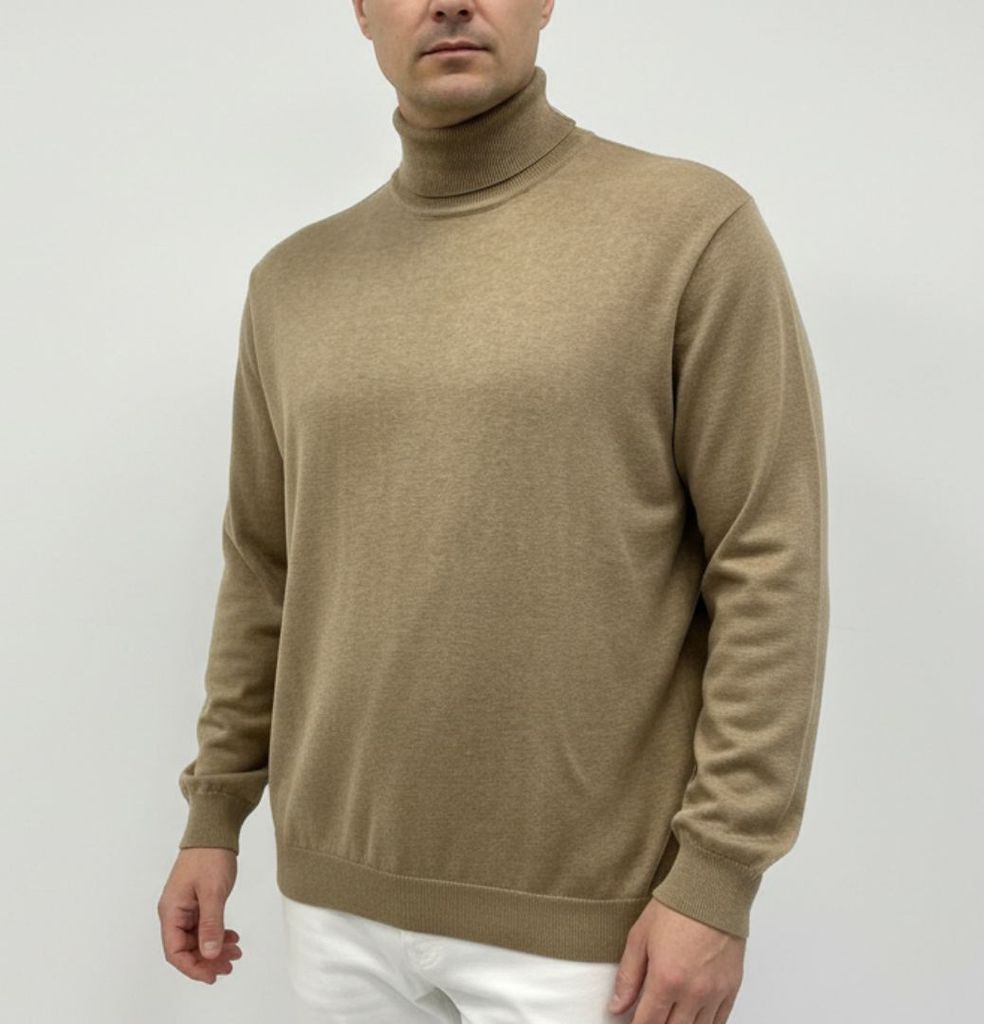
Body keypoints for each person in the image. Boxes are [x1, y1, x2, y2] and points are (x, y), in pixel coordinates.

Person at [157, 1, 830, 1022]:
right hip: (336, 901)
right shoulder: (292, 282)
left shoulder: (689, 228)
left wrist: (718, 875)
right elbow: (262, 566)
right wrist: (215, 811)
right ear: (364, 12)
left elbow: (769, 560)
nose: (450, 3)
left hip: (589, 917)